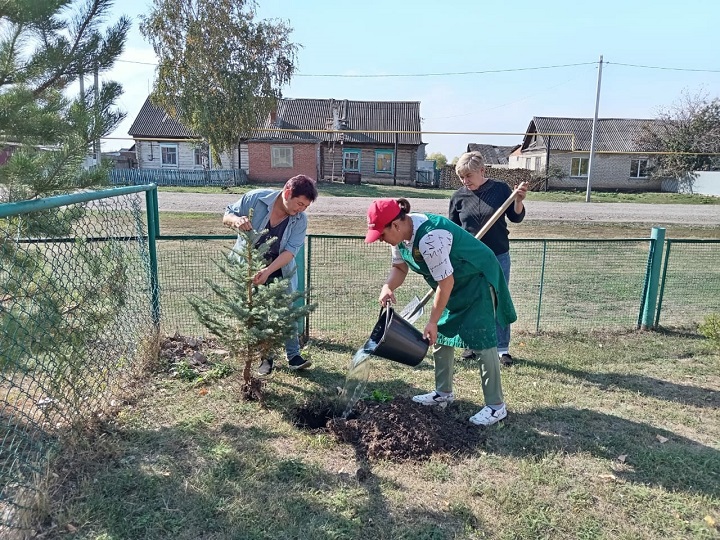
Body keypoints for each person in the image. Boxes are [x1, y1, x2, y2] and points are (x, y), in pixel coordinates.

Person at [365, 198, 516, 426]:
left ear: (395, 225)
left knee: (483, 342)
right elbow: (399, 268)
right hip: (453, 284)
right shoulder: (400, 239)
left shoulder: (430, 237)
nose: (381, 240)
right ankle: (442, 393)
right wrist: (388, 286)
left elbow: (445, 284)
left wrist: (432, 320)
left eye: (382, 235)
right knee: (440, 337)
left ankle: (496, 407)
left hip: (477, 280)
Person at [223, 174, 318, 375]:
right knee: (258, 313)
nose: (300, 210)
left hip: (278, 267)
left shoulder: (300, 220)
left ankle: (294, 357)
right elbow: (226, 215)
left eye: (305, 207)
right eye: (299, 203)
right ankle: (265, 359)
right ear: (287, 192)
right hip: (249, 266)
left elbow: (290, 251)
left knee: (286, 311)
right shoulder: (255, 199)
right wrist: (236, 220)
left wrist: (267, 271)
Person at [449, 151, 527, 367]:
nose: (465, 182)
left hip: (498, 255)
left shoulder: (501, 189)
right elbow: (454, 230)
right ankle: (471, 345)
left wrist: (518, 200)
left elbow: (515, 217)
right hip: (470, 259)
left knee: (498, 300)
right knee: (472, 300)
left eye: (469, 176)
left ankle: (502, 349)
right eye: (461, 177)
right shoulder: (458, 197)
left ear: (482, 171)